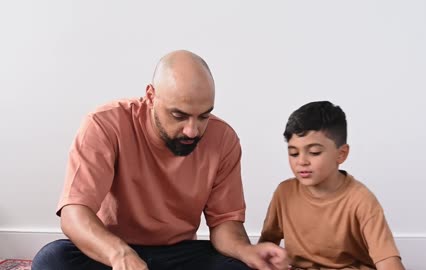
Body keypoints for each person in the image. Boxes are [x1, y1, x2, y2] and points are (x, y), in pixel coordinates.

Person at [32, 50, 289, 270]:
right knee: (52, 259)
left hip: (179, 253)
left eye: (203, 116)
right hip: (111, 252)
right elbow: (74, 212)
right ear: (151, 96)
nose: (193, 130)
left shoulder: (223, 139)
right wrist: (119, 254)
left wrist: (247, 252)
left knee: (238, 266)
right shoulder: (104, 124)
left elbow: (225, 224)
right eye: (179, 115)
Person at [259, 101, 405, 270]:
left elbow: (388, 261)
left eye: (314, 152)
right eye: (293, 153)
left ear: (341, 154)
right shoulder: (284, 193)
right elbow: (267, 247)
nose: (301, 161)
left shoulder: (361, 200)